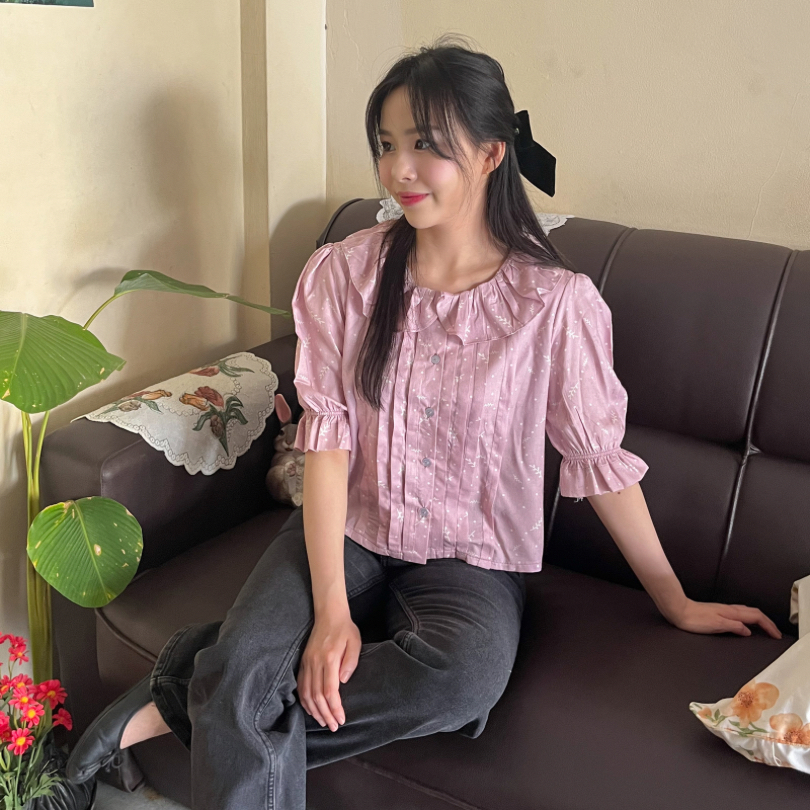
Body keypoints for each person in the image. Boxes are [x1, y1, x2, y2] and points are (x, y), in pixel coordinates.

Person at [65, 33, 782, 810]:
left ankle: (185, 694)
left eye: (427, 145)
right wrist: (331, 612)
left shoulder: (552, 305)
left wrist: (674, 599)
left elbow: (597, 458)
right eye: (387, 145)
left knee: (457, 681)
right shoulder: (348, 274)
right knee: (247, 667)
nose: (399, 169)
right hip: (347, 529)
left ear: (491, 155)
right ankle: (227, 685)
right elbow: (329, 442)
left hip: (473, 557)